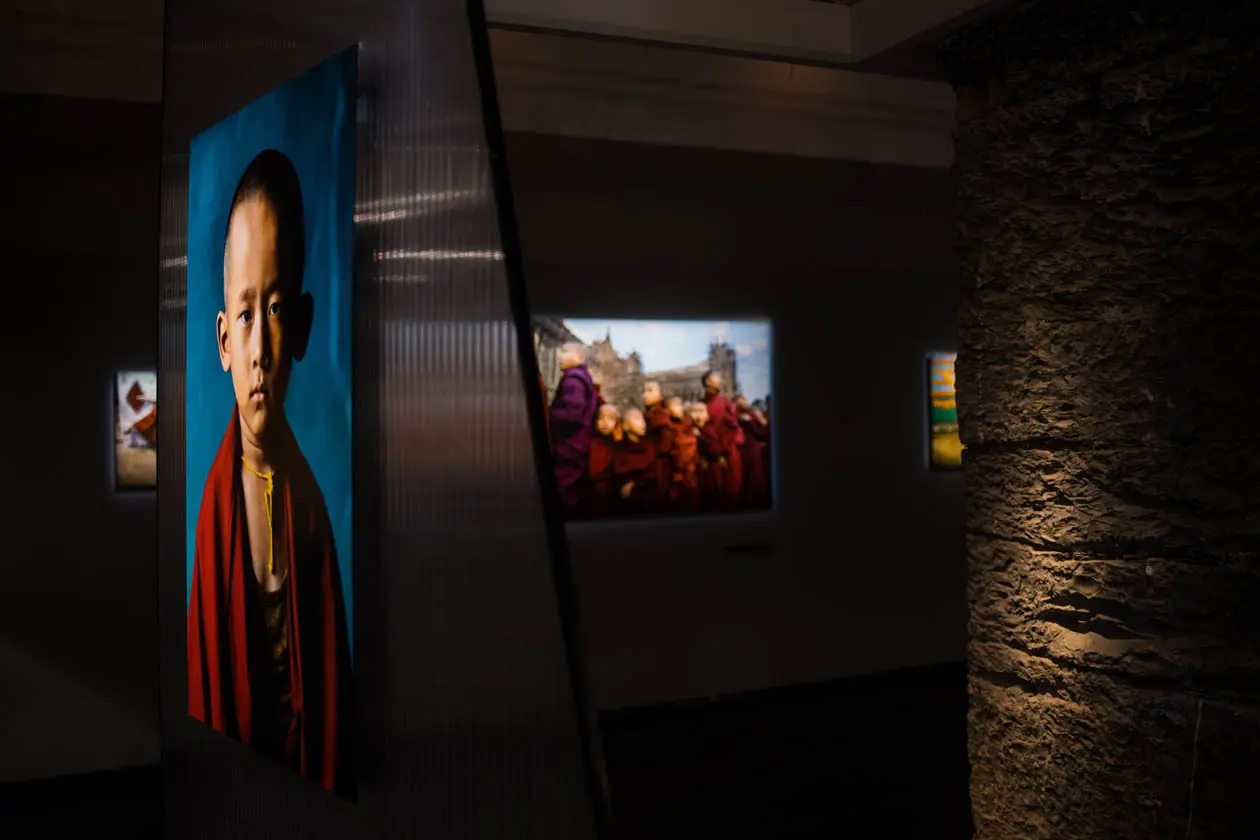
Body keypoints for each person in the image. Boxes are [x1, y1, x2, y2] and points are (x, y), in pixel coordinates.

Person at [187, 149, 353, 797]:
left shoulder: (309, 507)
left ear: (305, 326)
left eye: (278, 310)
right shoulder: (214, 511)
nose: (260, 354)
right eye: (247, 314)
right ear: (224, 340)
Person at [548, 342, 599, 516]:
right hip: (577, 447)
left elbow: (572, 414)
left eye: (564, 352)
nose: (558, 356)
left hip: (568, 447)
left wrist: (549, 415)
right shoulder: (583, 379)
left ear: (579, 357)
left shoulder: (573, 380)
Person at [700, 371, 744, 508]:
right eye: (717, 377)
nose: (720, 380)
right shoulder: (701, 405)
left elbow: (735, 428)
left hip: (729, 453)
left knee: (731, 493)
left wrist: (728, 447)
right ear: (707, 381)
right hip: (710, 455)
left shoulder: (725, 402)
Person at [612, 408, 666, 516]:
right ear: (626, 426)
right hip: (628, 498)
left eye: (642, 419)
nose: (642, 423)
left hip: (650, 494)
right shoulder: (620, 447)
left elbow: (653, 470)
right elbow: (618, 470)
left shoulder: (650, 444)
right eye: (637, 419)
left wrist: (635, 482)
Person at [735, 394, 769, 509]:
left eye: (744, 401)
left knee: (753, 478)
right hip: (747, 450)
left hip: (750, 450)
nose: (743, 403)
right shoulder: (742, 417)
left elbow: (760, 434)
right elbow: (759, 434)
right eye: (740, 402)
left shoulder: (748, 416)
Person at [588, 403, 621, 519]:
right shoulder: (591, 442)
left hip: (612, 490)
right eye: (602, 418)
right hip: (591, 491)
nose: (605, 423)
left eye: (611, 419)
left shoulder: (618, 444)